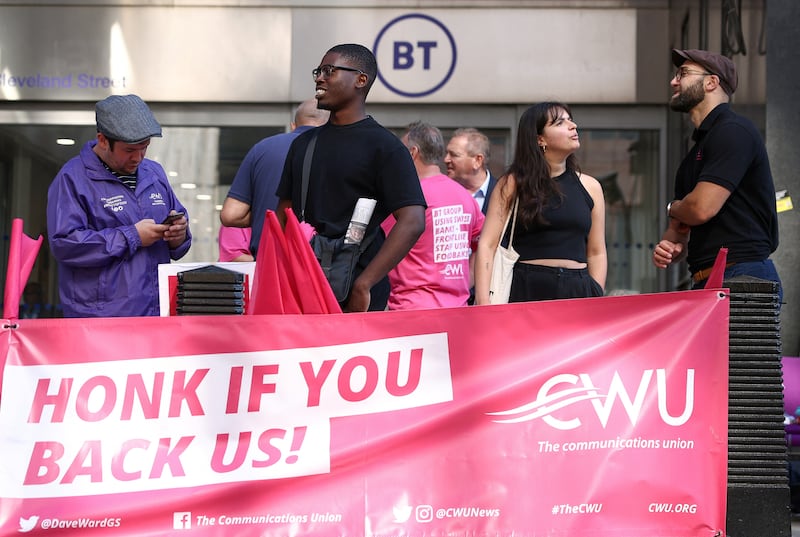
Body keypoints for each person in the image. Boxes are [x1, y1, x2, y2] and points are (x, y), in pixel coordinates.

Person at [276, 43, 426, 312]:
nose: (320, 78)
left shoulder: (385, 146)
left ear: (360, 79)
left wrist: (364, 284)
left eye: (329, 70)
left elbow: (413, 220)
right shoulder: (304, 144)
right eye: (318, 71)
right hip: (303, 285)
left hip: (358, 293)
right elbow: (283, 215)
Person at [47, 94, 191, 317]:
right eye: (129, 150)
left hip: (156, 313)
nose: (138, 157)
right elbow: (65, 244)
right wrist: (131, 236)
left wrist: (178, 235)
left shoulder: (154, 173)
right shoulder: (72, 178)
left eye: (145, 147)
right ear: (103, 140)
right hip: (101, 319)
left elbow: (179, 241)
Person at [652, 49, 781, 299]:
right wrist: (670, 247)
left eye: (684, 74)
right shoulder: (694, 155)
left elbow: (700, 209)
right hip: (709, 280)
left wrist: (672, 207)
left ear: (711, 82)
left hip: (743, 278)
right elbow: (678, 229)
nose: (674, 81)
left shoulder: (733, 131)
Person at [474, 102, 607, 304]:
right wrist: (484, 302)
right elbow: (487, 244)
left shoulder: (591, 186)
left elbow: (597, 252)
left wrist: (596, 292)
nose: (573, 126)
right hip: (527, 288)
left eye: (571, 120)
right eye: (560, 123)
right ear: (540, 139)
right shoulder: (513, 183)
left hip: (579, 291)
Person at [382, 121, 485, 310]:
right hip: (456, 309)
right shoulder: (464, 195)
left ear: (412, 153)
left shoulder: (406, 198)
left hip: (410, 310)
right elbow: (485, 244)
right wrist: (465, 280)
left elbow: (378, 246)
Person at [220, 99, 329, 257]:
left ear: (293, 126)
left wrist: (264, 210)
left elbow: (230, 215)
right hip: (317, 263)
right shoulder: (335, 150)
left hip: (268, 262)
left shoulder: (263, 148)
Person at [444, 127, 497, 214]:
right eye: (447, 153)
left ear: (477, 161)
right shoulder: (444, 194)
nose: (446, 159)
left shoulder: (502, 193)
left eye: (454, 155)